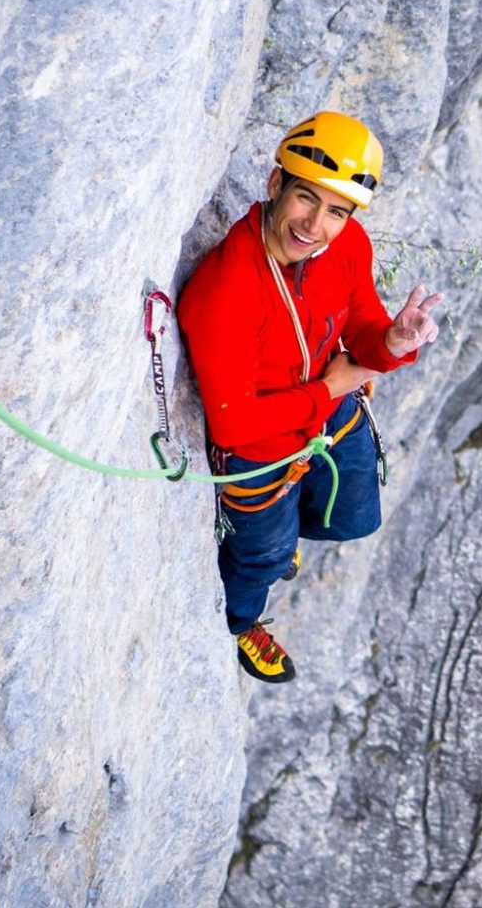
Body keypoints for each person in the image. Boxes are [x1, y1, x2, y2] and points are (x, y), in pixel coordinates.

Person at [178, 111, 442, 683]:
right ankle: (243, 619)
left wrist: (393, 342)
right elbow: (233, 427)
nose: (315, 224)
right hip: (260, 451)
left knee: (353, 516)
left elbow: (364, 325)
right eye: (305, 198)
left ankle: (289, 528)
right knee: (262, 555)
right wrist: (333, 386)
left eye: (336, 211)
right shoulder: (225, 291)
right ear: (275, 185)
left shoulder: (346, 248)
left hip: (328, 412)